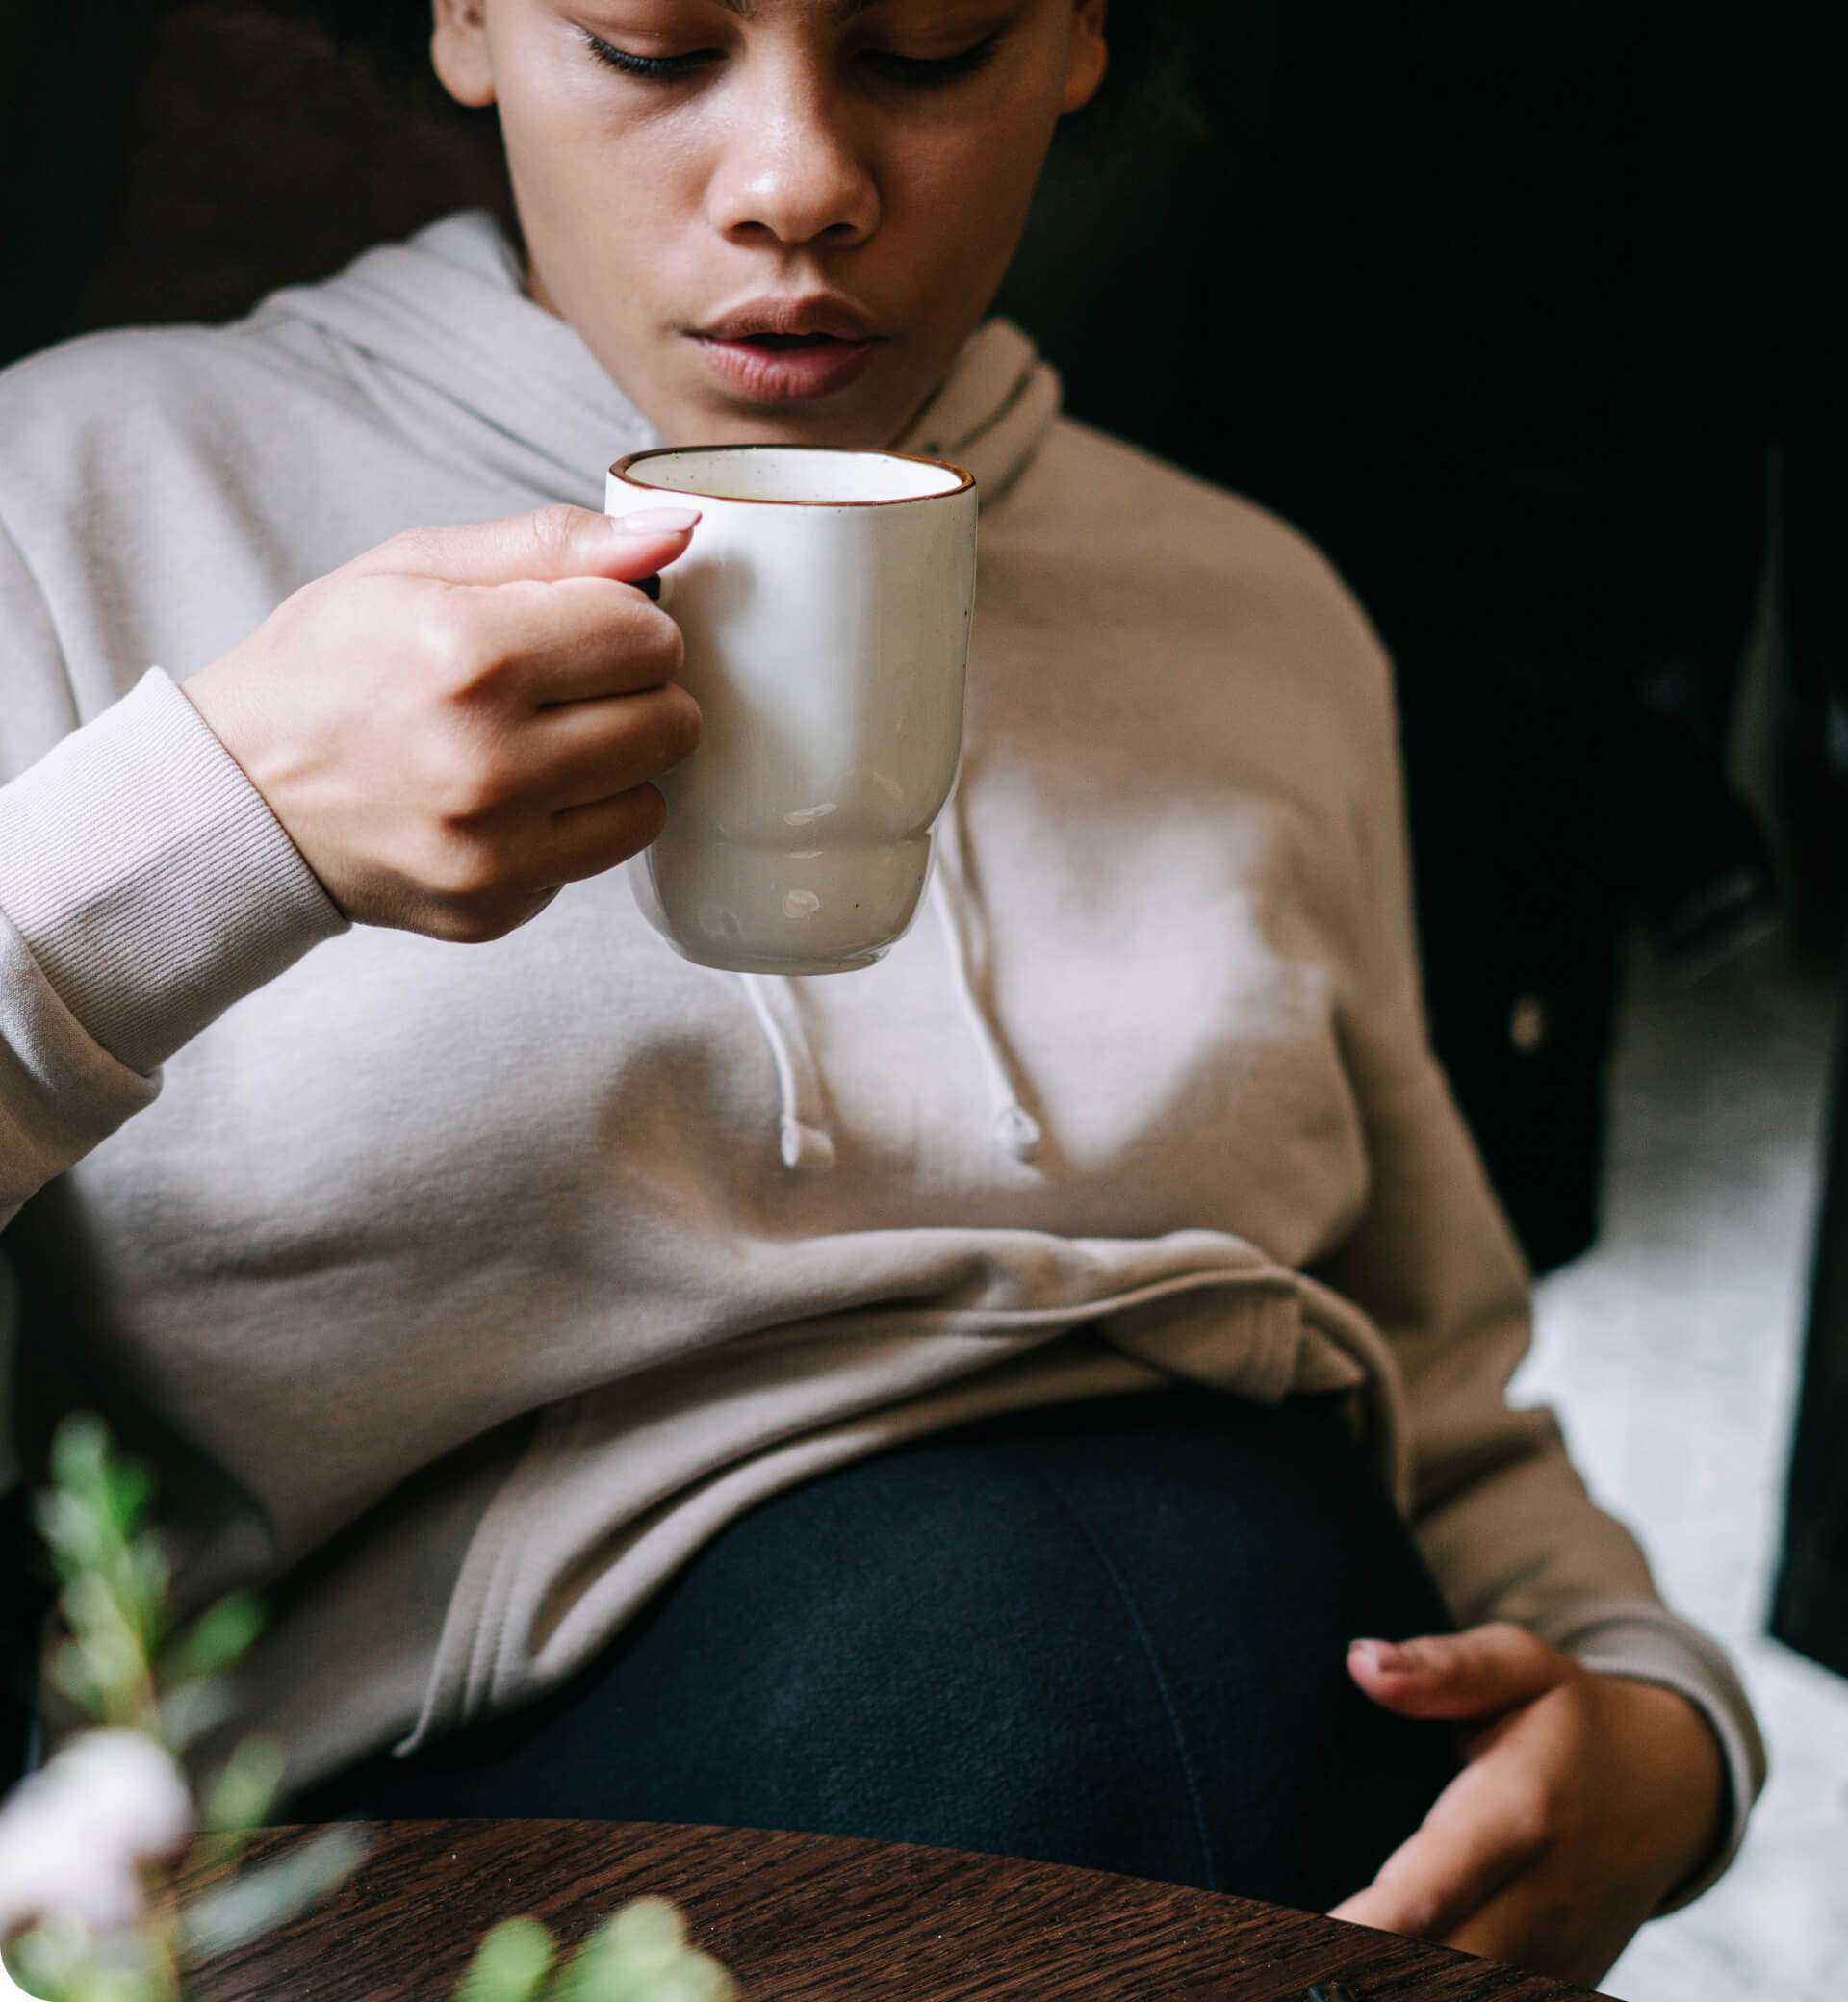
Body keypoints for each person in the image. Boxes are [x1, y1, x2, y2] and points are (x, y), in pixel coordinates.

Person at [0, 0, 1758, 1983]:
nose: (798, 184)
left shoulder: (1261, 614)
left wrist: (1664, 1725)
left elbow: (1436, 1380)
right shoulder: (79, 494)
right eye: (659, 50)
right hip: (473, 1881)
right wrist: (213, 824)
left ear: (1084, 36)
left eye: (924, 49)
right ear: (471, 19)